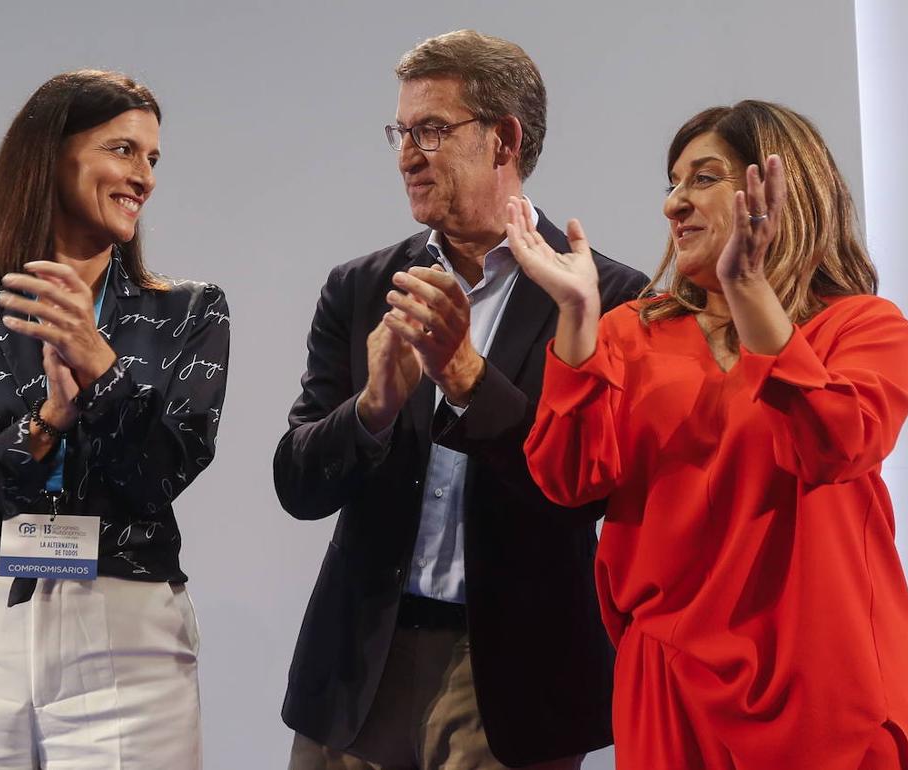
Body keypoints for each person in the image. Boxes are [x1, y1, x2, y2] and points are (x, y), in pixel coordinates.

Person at [515, 100, 908, 770]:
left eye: (703, 178)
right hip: (669, 687)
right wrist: (578, 316)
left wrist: (747, 286)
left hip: (821, 680)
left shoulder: (862, 328)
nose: (673, 204)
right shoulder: (630, 332)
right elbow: (566, 478)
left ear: (776, 187)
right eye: (672, 183)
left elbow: (836, 445)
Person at [274, 30, 648, 769]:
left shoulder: (608, 299)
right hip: (358, 668)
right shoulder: (361, 289)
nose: (409, 154)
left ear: (504, 140)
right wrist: (371, 410)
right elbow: (298, 484)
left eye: (433, 131)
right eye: (402, 133)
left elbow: (585, 497)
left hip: (511, 679)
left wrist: (471, 381)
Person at [0, 69, 228, 769]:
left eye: (153, 159)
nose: (145, 178)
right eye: (122, 150)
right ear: (51, 155)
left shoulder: (190, 312)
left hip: (126, 627)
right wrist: (44, 423)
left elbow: (162, 474)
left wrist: (101, 366)